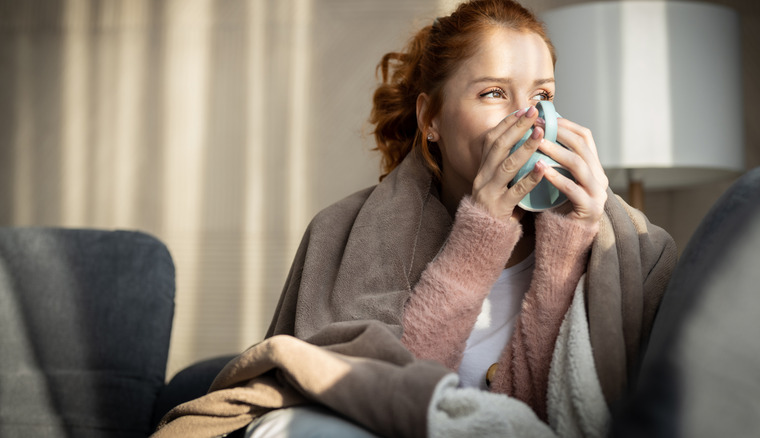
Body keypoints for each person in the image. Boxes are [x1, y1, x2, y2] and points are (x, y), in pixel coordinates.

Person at [152, 1, 677, 437]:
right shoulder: (344, 231)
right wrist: (482, 232)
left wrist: (571, 238)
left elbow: (558, 412)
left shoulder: (618, 241)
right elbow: (382, 398)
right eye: (494, 93)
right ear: (430, 120)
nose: (530, 119)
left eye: (543, 95)